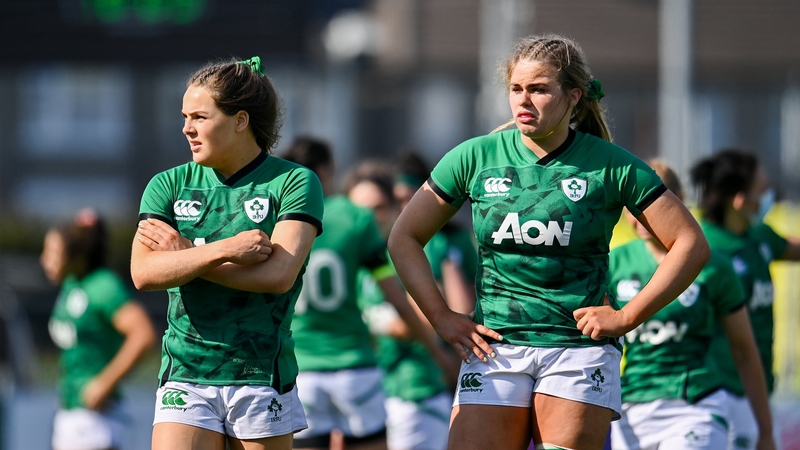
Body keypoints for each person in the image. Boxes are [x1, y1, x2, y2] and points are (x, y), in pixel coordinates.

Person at [387, 33, 710, 450]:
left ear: (573, 96)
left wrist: (627, 316)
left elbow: (690, 243)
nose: (524, 100)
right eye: (516, 88)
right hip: (493, 347)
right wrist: (441, 317)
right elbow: (405, 237)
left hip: (577, 350)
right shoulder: (474, 157)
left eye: (539, 89)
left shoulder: (611, 164)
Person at [131, 56, 324, 450]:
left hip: (260, 371)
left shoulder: (294, 182)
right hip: (185, 372)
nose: (187, 128)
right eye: (185, 117)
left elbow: (277, 276)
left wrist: (185, 256)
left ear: (240, 121)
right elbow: (145, 273)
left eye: (200, 117)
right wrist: (223, 250)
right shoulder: (168, 185)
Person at [281, 137, 449, 450]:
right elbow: (397, 298)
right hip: (354, 366)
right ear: (326, 171)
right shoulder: (353, 216)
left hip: (301, 368)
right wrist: (437, 354)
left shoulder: (278, 220)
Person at [608, 161, 774, 450]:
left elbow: (745, 351)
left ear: (678, 201)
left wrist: (766, 431)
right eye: (632, 205)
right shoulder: (613, 264)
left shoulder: (713, 266)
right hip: (632, 408)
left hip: (696, 405)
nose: (640, 214)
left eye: (649, 202)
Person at [345, 160, 460, 450]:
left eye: (378, 207)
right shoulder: (351, 261)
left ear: (396, 207)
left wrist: (367, 321)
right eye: (358, 210)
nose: (368, 218)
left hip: (414, 394)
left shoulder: (411, 252)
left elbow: (426, 322)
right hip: (365, 393)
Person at [690, 149, 800, 450]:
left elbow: (793, 248)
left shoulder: (759, 237)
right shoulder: (703, 249)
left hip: (759, 389)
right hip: (722, 390)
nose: (769, 199)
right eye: (763, 191)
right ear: (739, 200)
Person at [41, 208, 156, 450]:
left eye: (52, 253)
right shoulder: (72, 284)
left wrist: (105, 383)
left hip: (97, 421)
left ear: (76, 255)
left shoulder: (104, 286)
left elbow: (143, 335)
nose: (44, 260)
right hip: (70, 414)